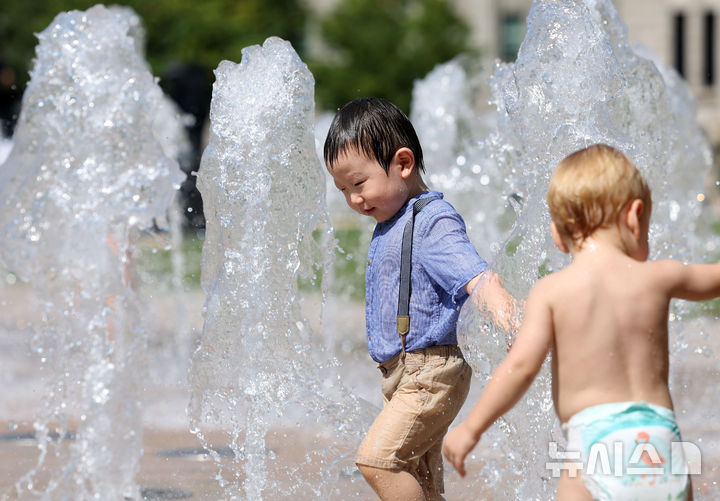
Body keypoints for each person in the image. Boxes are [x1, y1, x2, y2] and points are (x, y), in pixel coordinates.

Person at [442, 144, 718, 500]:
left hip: (592, 446)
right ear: (635, 217)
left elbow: (522, 367)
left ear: (558, 236)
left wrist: (472, 428)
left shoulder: (552, 292)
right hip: (659, 445)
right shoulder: (661, 277)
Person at [324, 97, 517, 501]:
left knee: (378, 461)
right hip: (405, 373)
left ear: (404, 164)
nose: (354, 200)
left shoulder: (431, 220)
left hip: (429, 373)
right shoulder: (393, 220)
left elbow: (475, 275)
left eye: (359, 184)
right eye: (343, 190)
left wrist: (507, 316)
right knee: (421, 480)